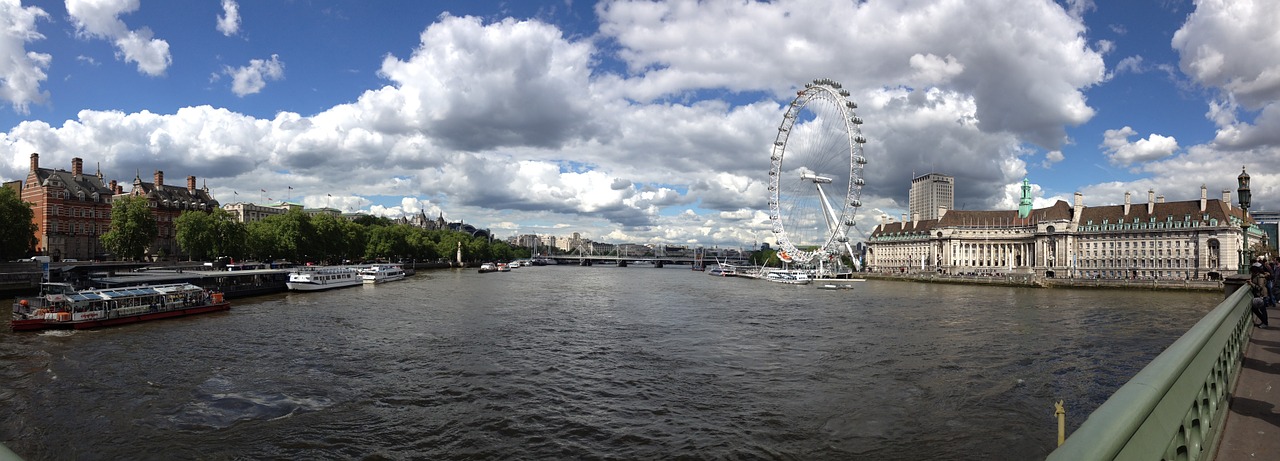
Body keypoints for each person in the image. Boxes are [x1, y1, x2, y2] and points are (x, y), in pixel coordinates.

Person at [1250, 262, 1270, 328]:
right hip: (1260, 295)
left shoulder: (1260, 276)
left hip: (1262, 295)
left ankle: (1265, 323)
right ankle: (1264, 321)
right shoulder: (1256, 275)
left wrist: (1251, 284)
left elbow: (1259, 287)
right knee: (1258, 309)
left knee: (1262, 310)